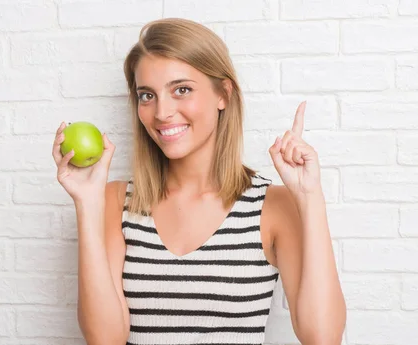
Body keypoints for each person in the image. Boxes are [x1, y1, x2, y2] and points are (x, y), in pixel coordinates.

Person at [52, 18, 346, 345]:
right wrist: (88, 204)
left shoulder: (273, 207)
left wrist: (309, 197)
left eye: (182, 90)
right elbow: (104, 339)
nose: (162, 112)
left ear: (223, 93)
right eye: (147, 95)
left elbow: (322, 337)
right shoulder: (115, 201)